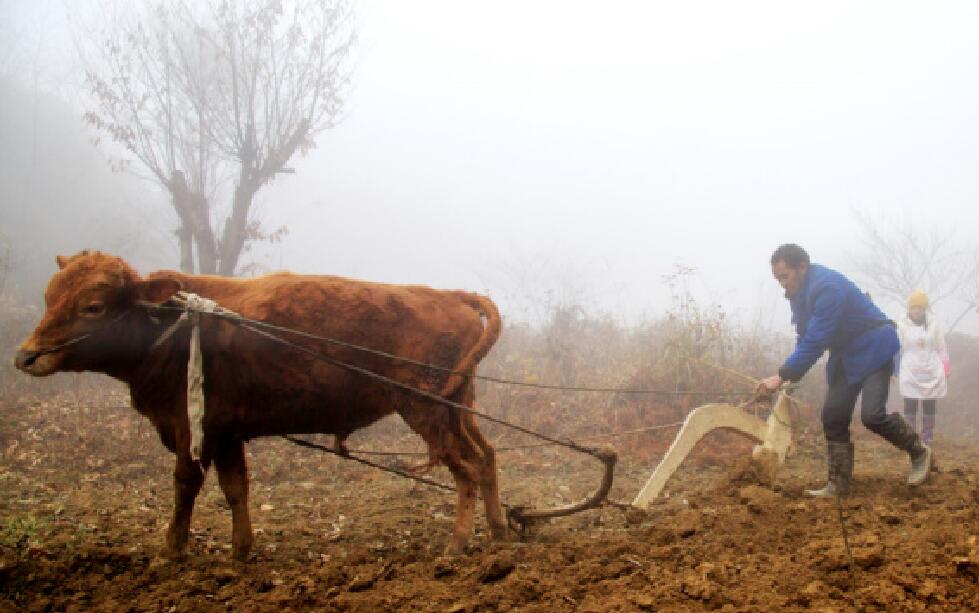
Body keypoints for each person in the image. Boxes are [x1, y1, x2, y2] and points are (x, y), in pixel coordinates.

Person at [758, 244, 931, 497]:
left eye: (784, 276)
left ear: (802, 267)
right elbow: (805, 336)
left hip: (874, 346)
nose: (782, 284)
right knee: (833, 414)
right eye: (778, 279)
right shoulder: (798, 294)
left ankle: (919, 451)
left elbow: (816, 341)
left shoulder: (827, 287)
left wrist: (782, 374)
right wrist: (790, 378)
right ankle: (838, 485)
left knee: (872, 415)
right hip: (846, 355)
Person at [896, 290, 949, 444]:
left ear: (925, 309)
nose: (917, 311)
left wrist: (946, 367)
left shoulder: (934, 325)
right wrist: (894, 370)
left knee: (929, 401)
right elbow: (896, 348)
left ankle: (927, 434)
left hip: (930, 368)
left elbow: (941, 347)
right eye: (914, 307)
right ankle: (910, 435)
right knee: (910, 401)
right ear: (909, 309)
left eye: (920, 307)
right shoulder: (901, 325)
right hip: (910, 369)